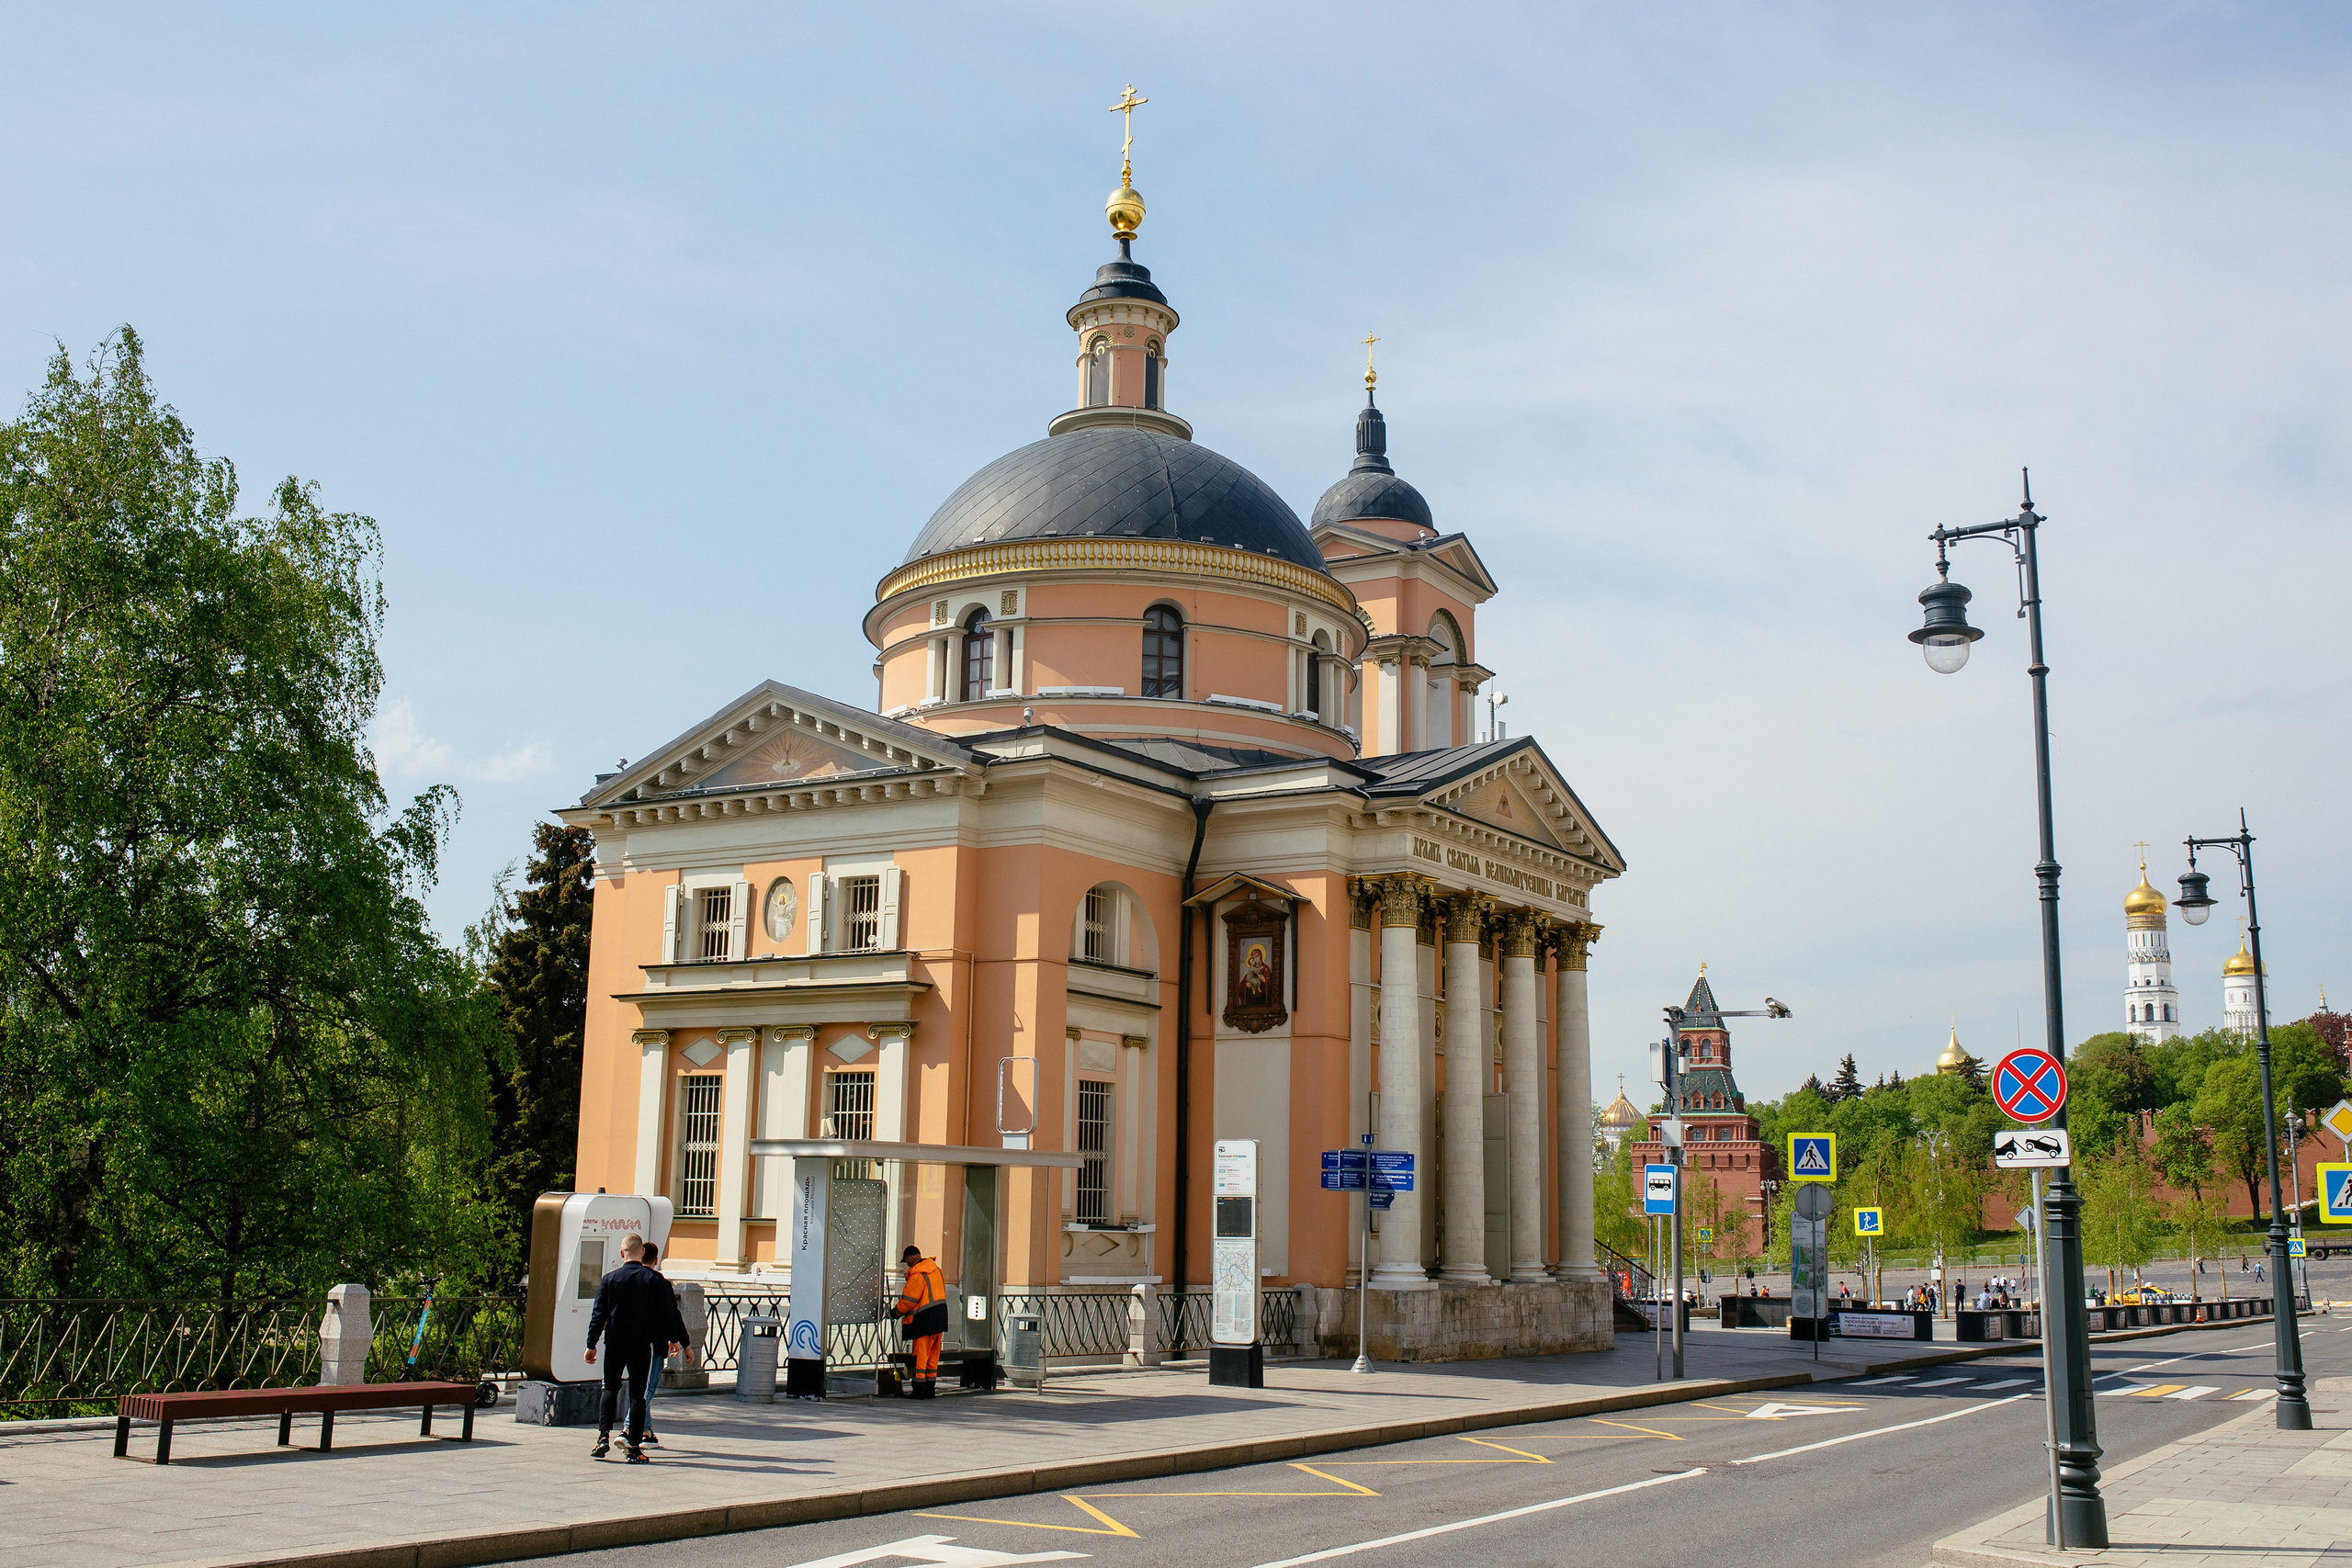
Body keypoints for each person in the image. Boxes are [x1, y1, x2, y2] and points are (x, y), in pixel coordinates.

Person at [584, 1233, 683, 1462]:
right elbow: (666, 1314)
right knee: (637, 1395)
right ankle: (634, 1448)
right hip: (640, 1344)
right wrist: (674, 1339)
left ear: (622, 1253)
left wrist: (591, 1344)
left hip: (615, 1342)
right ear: (641, 1253)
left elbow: (598, 1315)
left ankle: (602, 1438)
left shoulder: (609, 1279)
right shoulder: (655, 1280)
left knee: (609, 1387)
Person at [624, 1243, 693, 1447]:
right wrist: (683, 1343)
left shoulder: (625, 1278)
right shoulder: (659, 1282)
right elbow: (672, 1314)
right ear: (656, 1260)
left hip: (628, 1341)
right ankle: (628, 1428)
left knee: (640, 1386)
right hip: (653, 1343)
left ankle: (646, 1430)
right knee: (648, 1388)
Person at [891, 1244, 949, 1399]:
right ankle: (930, 1389)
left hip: (925, 1320)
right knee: (933, 1355)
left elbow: (909, 1300)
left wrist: (895, 1312)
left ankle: (919, 1390)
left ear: (910, 1258)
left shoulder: (918, 1273)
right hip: (940, 1317)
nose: (907, 1265)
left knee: (921, 1357)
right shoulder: (936, 1270)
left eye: (906, 1261)